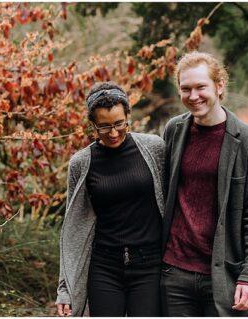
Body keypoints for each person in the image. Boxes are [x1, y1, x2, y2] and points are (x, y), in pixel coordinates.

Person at [160, 51, 248, 316]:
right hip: (174, 273)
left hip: (223, 274)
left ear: (219, 85)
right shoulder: (174, 130)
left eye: (201, 87)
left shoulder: (246, 140)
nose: (193, 95)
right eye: (185, 89)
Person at [56, 82, 167, 316]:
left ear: (128, 115)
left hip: (149, 265)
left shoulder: (154, 148)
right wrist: (64, 289)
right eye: (104, 127)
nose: (114, 133)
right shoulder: (81, 163)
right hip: (105, 267)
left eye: (119, 123)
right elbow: (73, 229)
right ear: (93, 124)